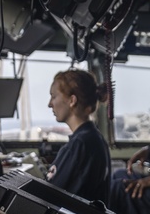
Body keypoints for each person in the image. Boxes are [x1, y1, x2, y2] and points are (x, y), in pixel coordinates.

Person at [45, 69, 112, 203]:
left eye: (53, 96)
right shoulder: (94, 138)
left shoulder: (79, 144)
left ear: (72, 100)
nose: (49, 104)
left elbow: (48, 195)